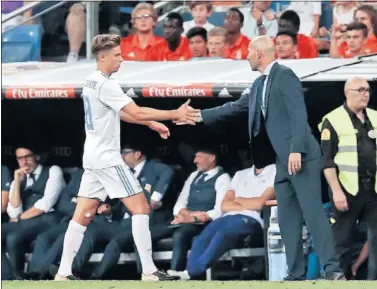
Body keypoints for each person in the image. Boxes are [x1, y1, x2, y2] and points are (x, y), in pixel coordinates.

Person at [177, 35, 345, 281]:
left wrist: (296, 149)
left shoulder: (285, 75)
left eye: (248, 52)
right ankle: (295, 274)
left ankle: (333, 271)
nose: (244, 56)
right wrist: (200, 116)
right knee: (287, 218)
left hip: (301, 157)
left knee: (313, 214)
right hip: (282, 162)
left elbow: (298, 113)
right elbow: (234, 108)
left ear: (259, 53)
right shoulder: (258, 85)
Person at [53, 33, 199, 281]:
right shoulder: (107, 84)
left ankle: (63, 273)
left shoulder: (91, 80)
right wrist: (174, 112)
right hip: (108, 158)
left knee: (83, 214)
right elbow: (136, 110)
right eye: (117, 55)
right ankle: (150, 272)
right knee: (141, 207)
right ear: (102, 57)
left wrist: (152, 124)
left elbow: (119, 112)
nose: (122, 59)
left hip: (92, 157)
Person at [169, 164, 276, 280]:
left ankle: (191, 272)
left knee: (223, 234)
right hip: (228, 216)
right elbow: (224, 205)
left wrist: (238, 200)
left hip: (252, 218)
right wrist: (249, 204)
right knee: (201, 238)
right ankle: (188, 272)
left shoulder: (275, 170)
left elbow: (259, 204)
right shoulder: (240, 174)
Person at [319, 76, 377, 280]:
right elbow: (327, 162)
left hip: (373, 190)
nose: (365, 94)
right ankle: (338, 280)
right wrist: (336, 192)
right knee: (342, 241)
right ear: (347, 93)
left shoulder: (375, 117)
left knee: (376, 239)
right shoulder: (333, 120)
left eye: (367, 90)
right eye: (360, 90)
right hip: (346, 189)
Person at [2, 146, 65, 278]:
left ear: (36, 157)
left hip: (48, 219)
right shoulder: (17, 179)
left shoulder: (53, 171)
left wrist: (20, 217)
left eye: (27, 157)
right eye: (20, 158)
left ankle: (13, 277)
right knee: (12, 238)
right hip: (26, 223)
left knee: (12, 234)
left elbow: (46, 204)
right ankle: (13, 277)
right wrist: (17, 183)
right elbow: (13, 211)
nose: (24, 162)